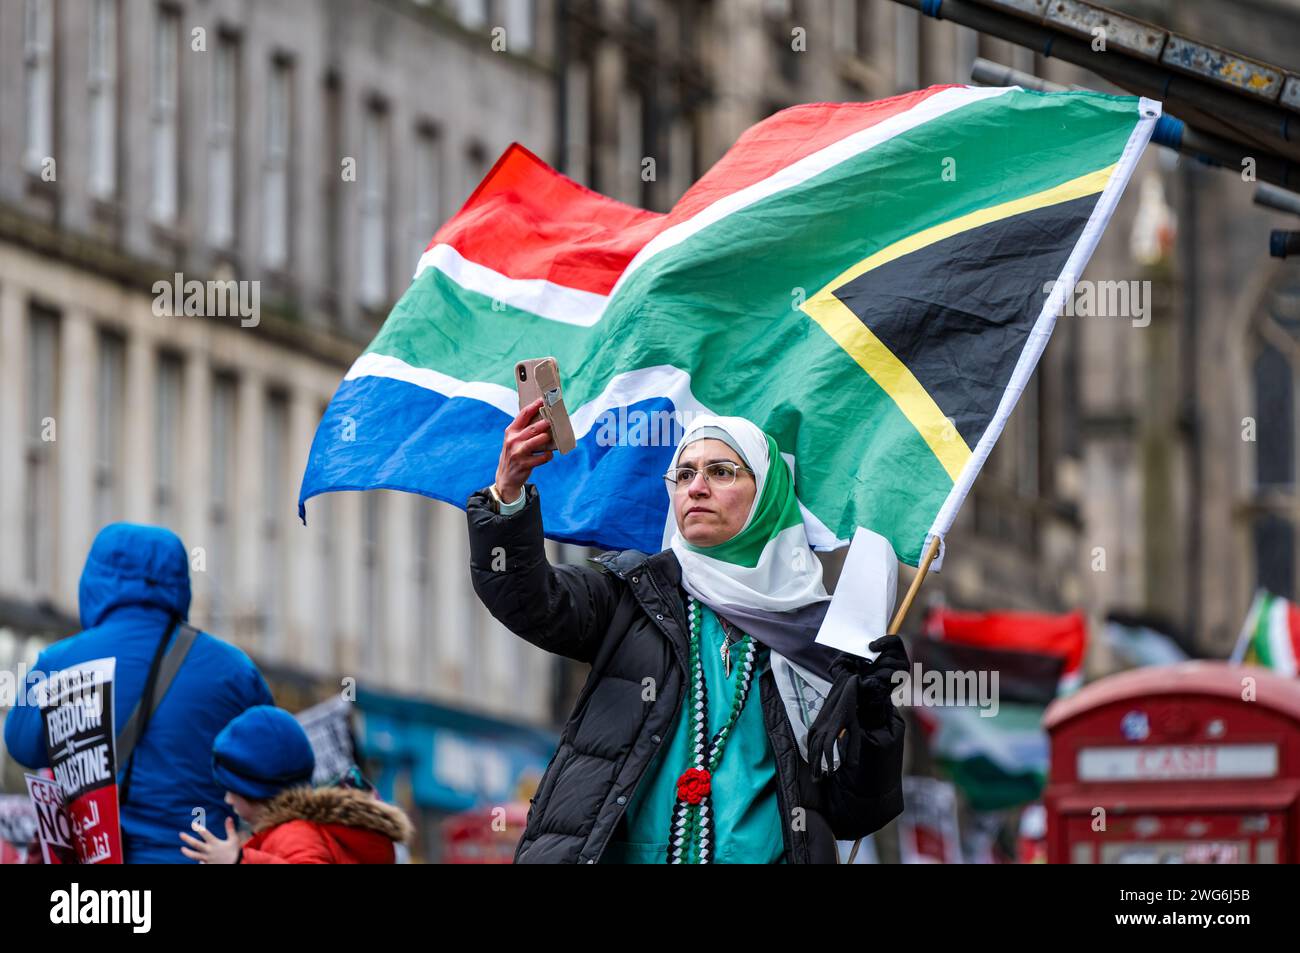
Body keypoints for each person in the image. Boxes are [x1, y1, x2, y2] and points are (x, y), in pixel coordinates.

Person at [466, 398, 907, 863]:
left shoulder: (824, 640)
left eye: (721, 472)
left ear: (768, 495)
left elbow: (856, 811)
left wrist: (874, 716)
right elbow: (530, 598)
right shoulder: (633, 597)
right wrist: (508, 492)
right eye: (684, 474)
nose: (696, 488)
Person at [3, 523, 273, 863]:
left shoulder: (58, 662)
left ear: (94, 581)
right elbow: (272, 766)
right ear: (180, 583)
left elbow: (21, 746)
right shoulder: (233, 669)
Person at [179, 705, 412, 864]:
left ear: (255, 790)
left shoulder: (294, 835)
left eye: (232, 789)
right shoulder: (293, 832)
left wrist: (238, 860)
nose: (228, 799)